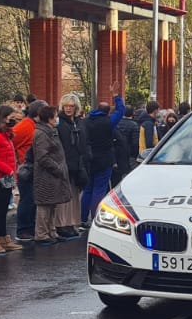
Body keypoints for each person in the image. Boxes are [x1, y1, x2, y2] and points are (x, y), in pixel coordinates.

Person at [80, 96, 126, 223]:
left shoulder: (85, 121)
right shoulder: (109, 121)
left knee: (87, 190)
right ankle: (95, 218)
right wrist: (116, 97)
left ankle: (83, 219)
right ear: (107, 111)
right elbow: (121, 111)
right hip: (105, 159)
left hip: (89, 159)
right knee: (99, 190)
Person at [32, 103, 73, 245]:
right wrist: (57, 168)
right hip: (47, 175)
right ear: (49, 118)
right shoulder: (41, 133)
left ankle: (51, 231)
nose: (57, 119)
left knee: (52, 204)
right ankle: (42, 234)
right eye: (55, 117)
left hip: (54, 175)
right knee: (44, 205)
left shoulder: (51, 131)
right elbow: (42, 157)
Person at [0, 104, 23, 254]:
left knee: (2, 210)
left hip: (6, 177)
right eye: (10, 117)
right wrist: (8, 169)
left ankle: (4, 238)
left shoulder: (6, 135)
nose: (13, 120)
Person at [56, 94, 89, 237]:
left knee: (75, 195)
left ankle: (71, 222)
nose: (68, 109)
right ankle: (62, 224)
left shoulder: (79, 122)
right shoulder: (59, 123)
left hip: (78, 164)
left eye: (71, 106)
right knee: (64, 196)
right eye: (66, 106)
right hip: (65, 163)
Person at [13, 101, 40, 243]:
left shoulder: (34, 125)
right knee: (27, 200)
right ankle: (23, 229)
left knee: (33, 200)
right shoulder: (25, 125)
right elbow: (12, 141)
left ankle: (30, 227)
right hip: (26, 169)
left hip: (34, 168)